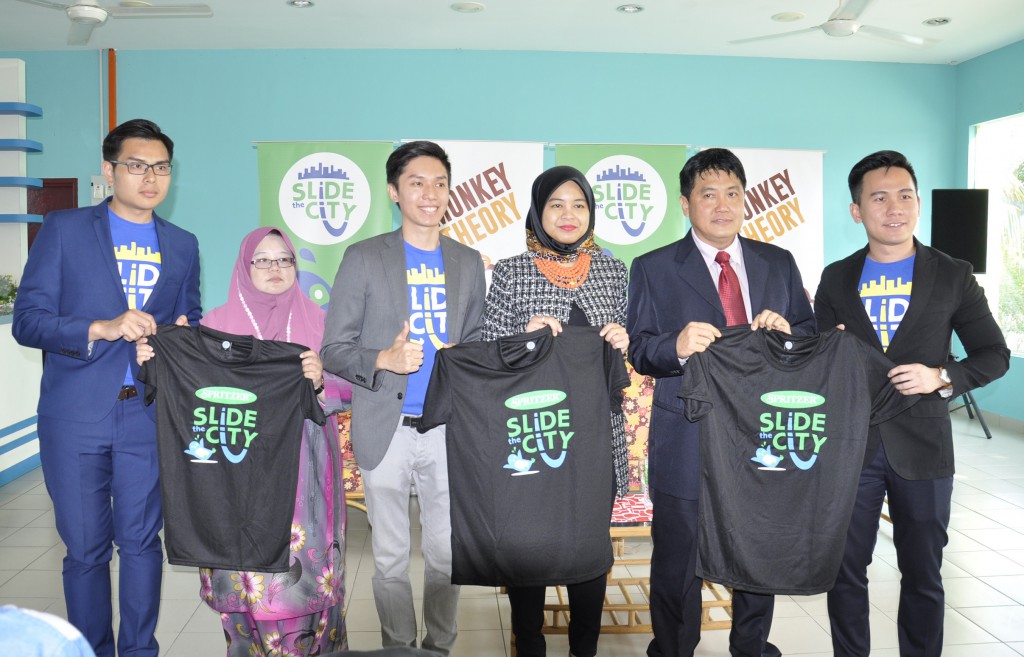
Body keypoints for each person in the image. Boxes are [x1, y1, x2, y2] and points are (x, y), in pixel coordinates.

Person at [12, 119, 201, 657]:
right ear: (109, 170)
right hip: (74, 415)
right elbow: (29, 320)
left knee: (142, 544)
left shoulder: (182, 245)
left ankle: (140, 651)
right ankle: (89, 649)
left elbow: (189, 316)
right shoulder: (66, 229)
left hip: (146, 414)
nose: (150, 177)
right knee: (86, 550)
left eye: (161, 168)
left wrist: (170, 340)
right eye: (137, 166)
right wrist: (101, 327)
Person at [816, 150, 1010, 657]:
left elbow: (994, 354)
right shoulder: (835, 278)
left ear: (918, 203)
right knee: (844, 570)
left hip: (923, 446)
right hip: (851, 446)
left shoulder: (952, 274)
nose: (894, 207)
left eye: (905, 195)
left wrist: (941, 376)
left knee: (923, 573)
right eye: (879, 198)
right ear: (857, 210)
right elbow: (817, 359)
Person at [626, 147, 815, 657]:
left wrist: (786, 335)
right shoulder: (654, 267)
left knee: (758, 549)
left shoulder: (778, 263)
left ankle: (751, 646)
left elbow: (808, 336)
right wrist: (675, 345)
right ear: (686, 205)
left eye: (733, 193)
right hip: (687, 433)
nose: (723, 205)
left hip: (761, 436)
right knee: (677, 557)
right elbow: (641, 349)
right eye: (709, 195)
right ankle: (673, 648)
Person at [137, 227, 352, 655]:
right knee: (242, 582)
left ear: (296, 266)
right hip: (232, 477)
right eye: (263, 260)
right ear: (244, 266)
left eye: (285, 260)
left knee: (300, 583)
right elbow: (189, 395)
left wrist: (321, 380)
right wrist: (156, 361)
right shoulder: (215, 324)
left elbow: (351, 388)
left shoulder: (322, 322)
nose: (275, 269)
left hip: (302, 473)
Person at [320, 140, 486, 655]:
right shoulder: (365, 257)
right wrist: (382, 360)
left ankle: (439, 646)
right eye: (416, 182)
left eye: (439, 182)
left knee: (445, 554)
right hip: (384, 428)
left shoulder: (468, 261)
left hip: (447, 428)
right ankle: (398, 646)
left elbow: (480, 338)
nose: (430, 193)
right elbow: (333, 349)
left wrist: (468, 353)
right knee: (390, 557)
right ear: (394, 191)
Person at [480, 164, 629, 657]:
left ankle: (584, 650)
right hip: (532, 431)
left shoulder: (612, 270)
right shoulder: (511, 271)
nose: (569, 215)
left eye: (579, 204)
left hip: (595, 434)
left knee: (589, 548)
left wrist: (622, 340)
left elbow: (631, 347)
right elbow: (487, 351)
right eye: (556, 205)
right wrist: (524, 332)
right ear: (538, 212)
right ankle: (530, 647)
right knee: (531, 545)